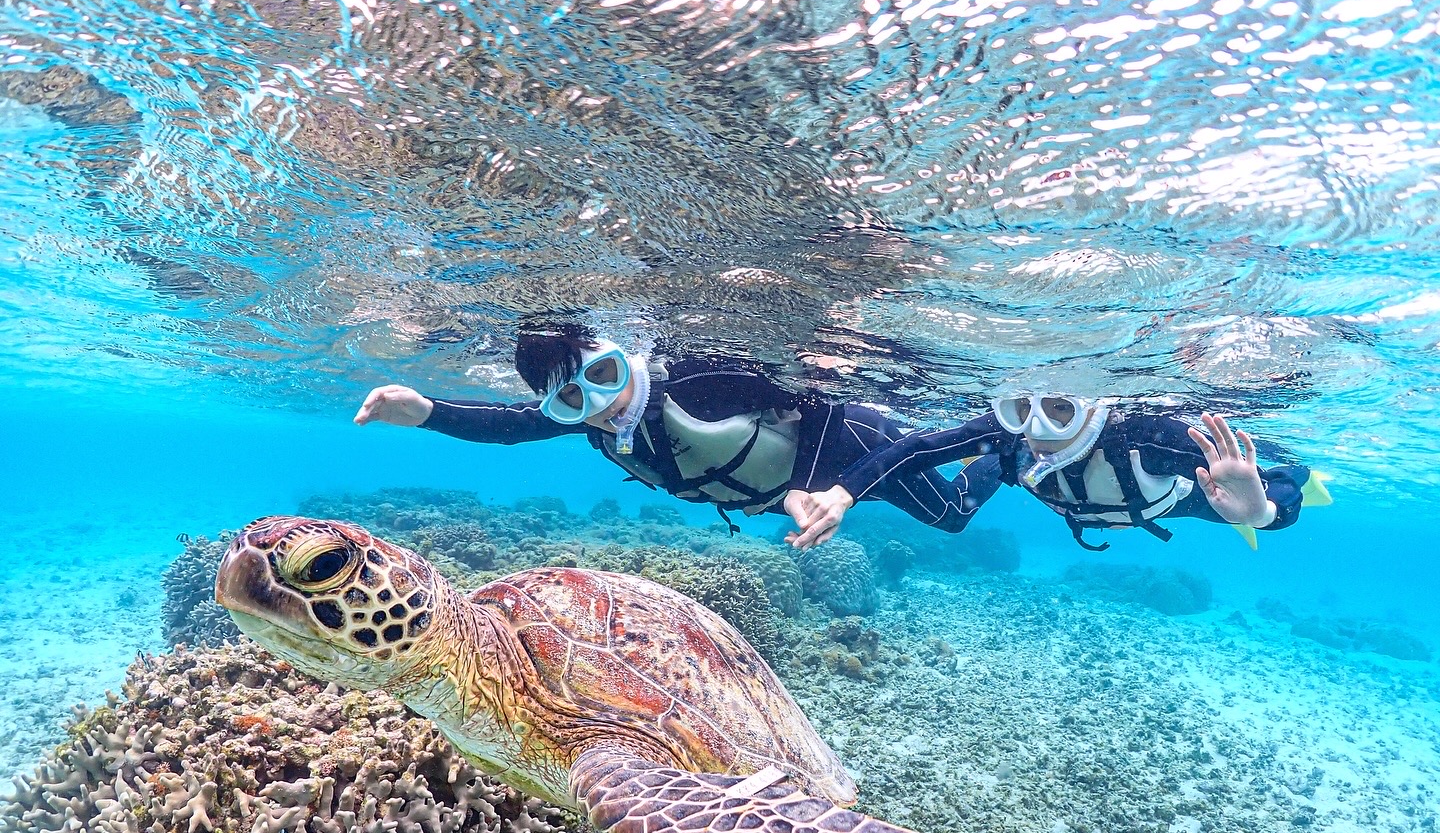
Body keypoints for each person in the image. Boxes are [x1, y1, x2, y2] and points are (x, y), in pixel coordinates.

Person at [354, 324, 1001, 537]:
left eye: (605, 375)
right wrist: (427, 412)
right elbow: (510, 426)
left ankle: (1002, 450)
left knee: (952, 516)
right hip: (798, 490)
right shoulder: (599, 424)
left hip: (852, 445)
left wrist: (808, 488)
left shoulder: (696, 378)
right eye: (574, 400)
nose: (602, 404)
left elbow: (819, 402)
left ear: (622, 353)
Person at [787, 392, 1328, 550]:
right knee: (957, 509)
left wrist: (1260, 511)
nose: (1037, 431)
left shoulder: (1145, 437)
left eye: (1061, 411)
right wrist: (843, 493)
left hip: (1168, 502)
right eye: (1022, 409)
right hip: (1048, 487)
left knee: (1251, 496)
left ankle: (1304, 468)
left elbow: (1274, 499)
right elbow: (917, 448)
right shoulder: (1011, 436)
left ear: (1095, 408)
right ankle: (995, 468)